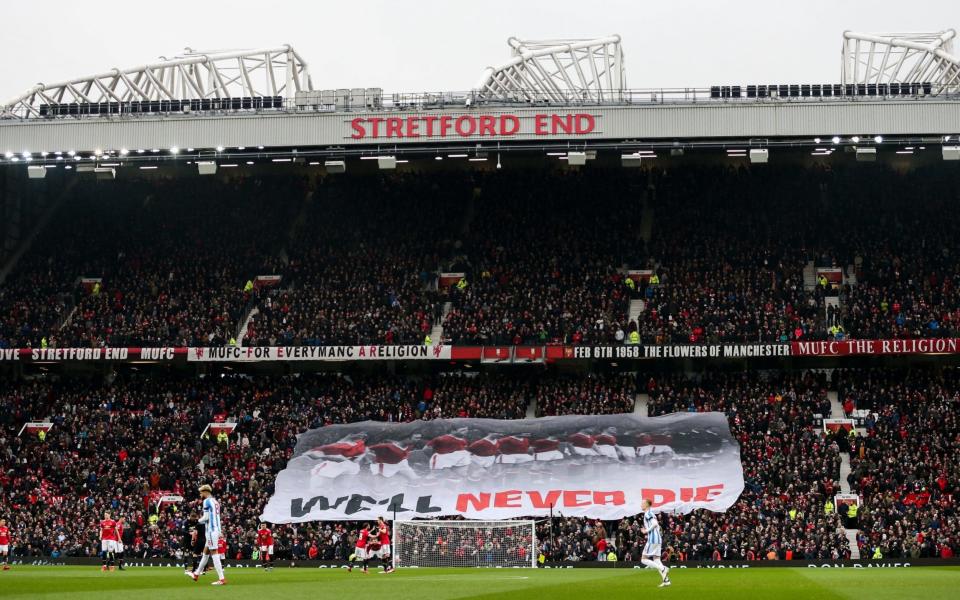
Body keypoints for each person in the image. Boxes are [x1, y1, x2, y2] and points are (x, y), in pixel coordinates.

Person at [186, 484, 226, 585]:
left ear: (205, 492)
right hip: (215, 529)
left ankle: (221, 579)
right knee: (205, 553)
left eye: (201, 492)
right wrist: (220, 531)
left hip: (211, 530)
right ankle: (196, 574)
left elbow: (206, 517)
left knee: (214, 553)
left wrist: (196, 521)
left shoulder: (206, 501)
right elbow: (217, 517)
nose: (200, 494)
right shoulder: (216, 502)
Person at [640, 499, 671, 587]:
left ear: (647, 505)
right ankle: (666, 581)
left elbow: (655, 524)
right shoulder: (651, 513)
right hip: (657, 539)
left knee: (643, 559)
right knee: (656, 560)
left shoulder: (648, 513)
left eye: (642, 503)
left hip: (653, 539)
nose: (641, 505)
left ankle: (663, 568)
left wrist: (646, 531)